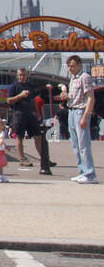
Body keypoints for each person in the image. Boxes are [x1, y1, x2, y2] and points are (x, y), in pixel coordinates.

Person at [58, 55, 97, 183]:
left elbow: (90, 97)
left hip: (81, 110)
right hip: (72, 110)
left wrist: (86, 116)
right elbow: (74, 96)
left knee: (83, 144)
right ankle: (82, 170)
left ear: (79, 65)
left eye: (73, 66)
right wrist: (66, 96)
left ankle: (90, 174)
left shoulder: (84, 77)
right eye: (69, 66)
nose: (70, 69)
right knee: (75, 144)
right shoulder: (73, 78)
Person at [8, 69, 51, 175]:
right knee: (19, 136)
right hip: (19, 113)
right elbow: (9, 100)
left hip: (30, 113)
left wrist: (37, 112)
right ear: (18, 76)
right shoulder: (14, 86)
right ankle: (22, 158)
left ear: (27, 75)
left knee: (38, 136)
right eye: (20, 75)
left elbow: (33, 99)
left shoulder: (29, 85)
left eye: (23, 75)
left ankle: (44, 159)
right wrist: (20, 96)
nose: (22, 77)